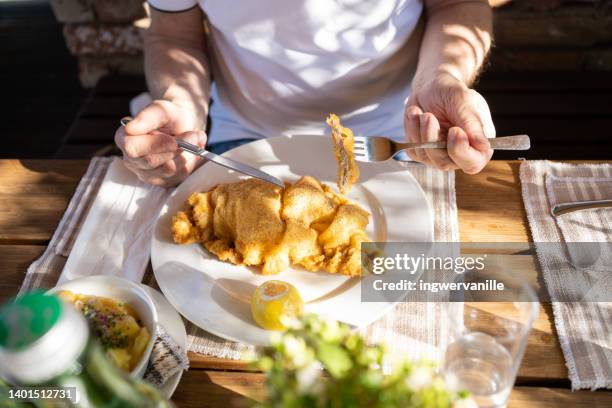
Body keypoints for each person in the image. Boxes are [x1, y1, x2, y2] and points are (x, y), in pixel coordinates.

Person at [115, 0, 495, 187]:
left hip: (400, 138)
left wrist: (441, 78)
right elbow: (173, 32)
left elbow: (456, 4)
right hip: (243, 140)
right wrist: (182, 103)